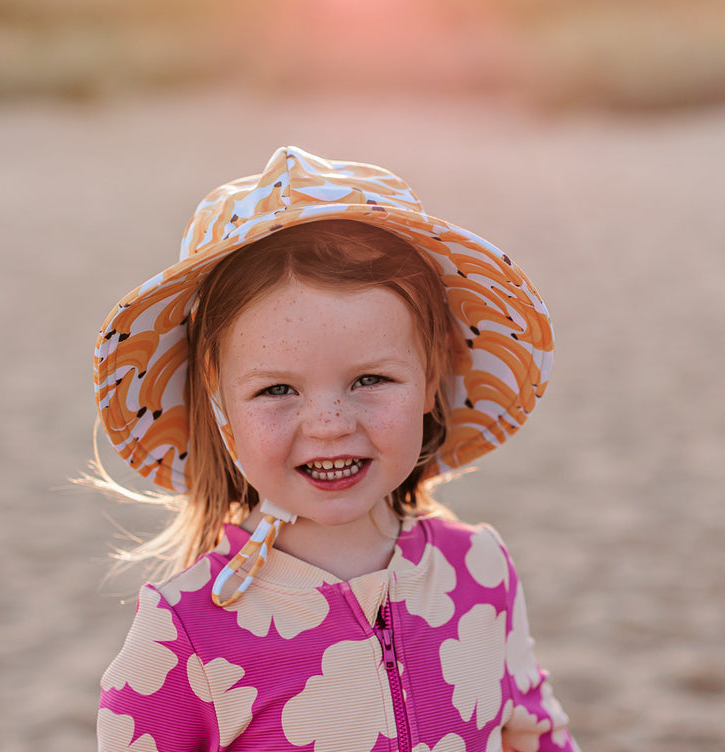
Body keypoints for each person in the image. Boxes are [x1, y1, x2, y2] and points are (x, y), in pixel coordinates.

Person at [92, 146, 579, 752]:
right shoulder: (184, 631)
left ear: (431, 377)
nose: (328, 424)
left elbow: (534, 733)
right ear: (219, 406)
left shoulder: (479, 570)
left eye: (370, 380)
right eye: (276, 389)